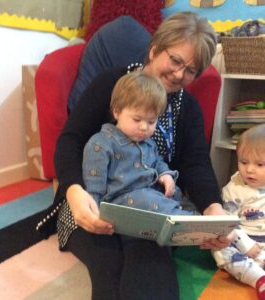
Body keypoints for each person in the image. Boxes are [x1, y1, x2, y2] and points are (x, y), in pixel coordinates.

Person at [37, 11, 233, 300]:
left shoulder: (186, 107)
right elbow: (70, 140)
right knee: (109, 261)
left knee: (148, 255)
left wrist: (213, 210)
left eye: (190, 70)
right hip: (92, 200)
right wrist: (75, 192)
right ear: (154, 50)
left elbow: (196, 163)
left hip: (151, 208)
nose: (180, 74)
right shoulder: (113, 84)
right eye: (175, 60)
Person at [83, 71, 192, 215]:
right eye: (137, 119)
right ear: (117, 112)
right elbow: (94, 186)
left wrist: (165, 174)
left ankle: (196, 220)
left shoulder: (147, 142)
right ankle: (187, 223)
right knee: (148, 200)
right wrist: (94, 215)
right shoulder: (100, 144)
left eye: (151, 121)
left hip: (152, 194)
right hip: (122, 202)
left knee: (177, 193)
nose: (144, 127)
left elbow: (157, 161)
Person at [212, 124, 265, 300]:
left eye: (259, 164)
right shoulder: (233, 190)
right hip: (241, 243)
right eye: (243, 162)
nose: (249, 169)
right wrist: (245, 244)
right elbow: (227, 224)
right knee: (221, 251)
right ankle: (259, 279)